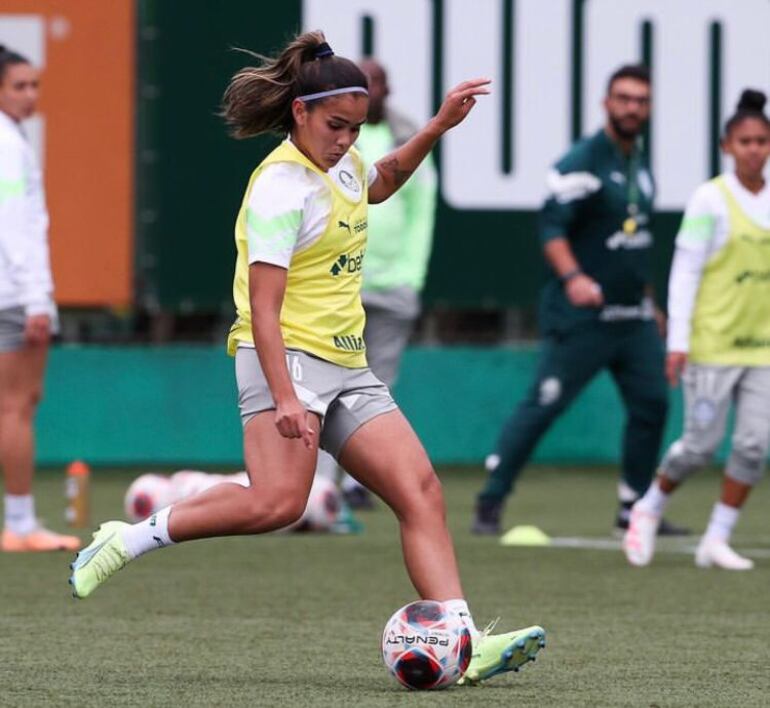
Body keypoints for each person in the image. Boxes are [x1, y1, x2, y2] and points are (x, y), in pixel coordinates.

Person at [69, 31, 545, 684]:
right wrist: (287, 398)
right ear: (301, 113)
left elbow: (378, 184)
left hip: (346, 363)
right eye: (336, 126)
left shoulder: (342, 161)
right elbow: (262, 309)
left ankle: (461, 643)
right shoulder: (279, 190)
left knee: (421, 492)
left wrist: (436, 126)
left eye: (355, 127)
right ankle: (126, 539)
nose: (347, 139)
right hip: (284, 357)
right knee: (277, 504)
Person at [472, 64, 688, 537]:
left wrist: (650, 302)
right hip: (583, 316)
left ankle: (634, 509)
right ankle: (490, 500)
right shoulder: (583, 160)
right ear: (606, 103)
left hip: (632, 318)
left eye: (641, 100)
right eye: (624, 98)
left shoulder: (637, 161)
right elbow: (550, 227)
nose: (632, 107)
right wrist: (573, 277)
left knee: (653, 403)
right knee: (544, 404)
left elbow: (634, 241)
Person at [623, 90, 770, 570]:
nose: (754, 149)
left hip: (762, 347)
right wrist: (680, 341)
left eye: (762, 141)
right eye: (745, 141)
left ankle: (717, 537)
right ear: (728, 145)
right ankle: (648, 507)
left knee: (753, 445)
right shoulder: (711, 198)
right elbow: (685, 271)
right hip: (713, 344)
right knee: (699, 446)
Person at [332, 57, 438, 510]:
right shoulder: (335, 142)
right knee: (328, 383)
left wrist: (410, 278)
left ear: (387, 90)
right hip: (340, 285)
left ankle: (361, 481)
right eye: (361, 84)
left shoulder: (404, 137)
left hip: (393, 288)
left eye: (376, 83)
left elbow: (421, 213)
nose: (369, 92)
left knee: (376, 389)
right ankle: (320, 486)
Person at [0, 46, 79, 553]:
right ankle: (21, 524)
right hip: (13, 294)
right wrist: (35, 301)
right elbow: (14, 229)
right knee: (17, 407)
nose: (30, 94)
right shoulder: (8, 145)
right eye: (19, 85)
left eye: (34, 85)